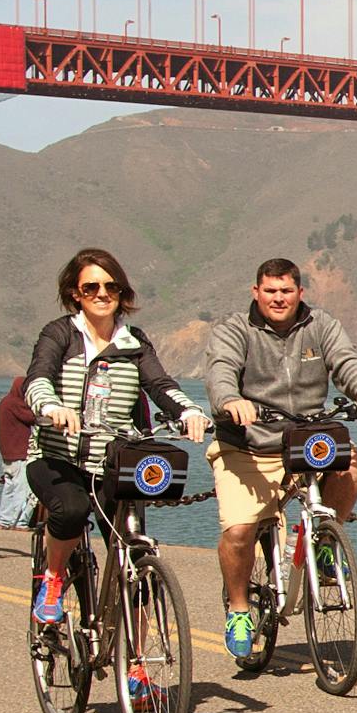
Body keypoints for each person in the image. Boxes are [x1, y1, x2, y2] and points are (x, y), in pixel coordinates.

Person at [202, 255, 357, 670]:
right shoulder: (235, 330)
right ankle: (237, 609)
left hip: (307, 440)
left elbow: (347, 362)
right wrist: (230, 401)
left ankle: (324, 541)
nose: (279, 298)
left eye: (286, 290)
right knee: (239, 531)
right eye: (270, 290)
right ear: (256, 293)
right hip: (249, 445)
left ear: (299, 293)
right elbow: (220, 372)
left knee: (351, 462)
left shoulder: (320, 325)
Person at [17, 247, 210, 636]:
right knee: (70, 510)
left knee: (133, 553)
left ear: (122, 293)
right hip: (57, 458)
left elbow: (160, 384)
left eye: (112, 286)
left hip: (113, 462)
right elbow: (37, 377)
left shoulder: (133, 341)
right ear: (76, 292)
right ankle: (53, 580)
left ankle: (138, 663)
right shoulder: (59, 334)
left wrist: (189, 412)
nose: (102, 294)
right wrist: (52, 406)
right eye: (91, 287)